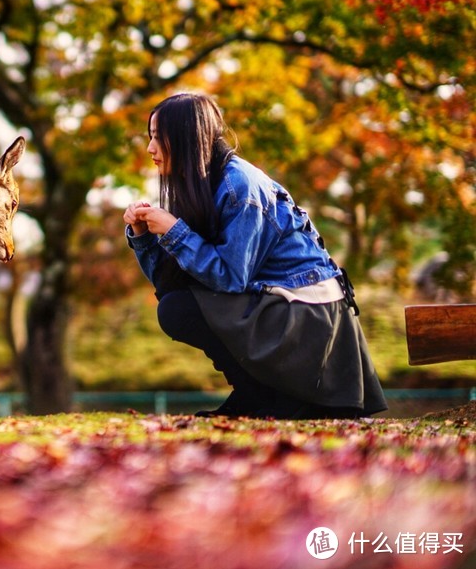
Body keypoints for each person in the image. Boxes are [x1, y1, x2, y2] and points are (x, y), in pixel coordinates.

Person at [123, 93, 387, 419]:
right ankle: (254, 394)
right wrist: (143, 237)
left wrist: (175, 231)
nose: (150, 148)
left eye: (158, 138)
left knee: (179, 308)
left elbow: (231, 279)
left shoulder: (239, 186)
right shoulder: (199, 186)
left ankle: (270, 396)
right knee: (176, 304)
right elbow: (170, 284)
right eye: (149, 137)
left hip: (310, 314)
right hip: (280, 305)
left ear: (187, 137)